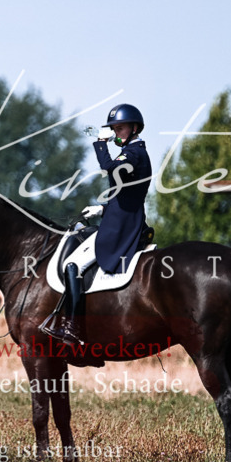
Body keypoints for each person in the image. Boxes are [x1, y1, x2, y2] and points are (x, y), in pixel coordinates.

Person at [43, 104, 153, 344]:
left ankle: (73, 327)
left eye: (120, 128)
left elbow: (109, 168)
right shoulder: (134, 152)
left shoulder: (134, 154)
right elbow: (126, 196)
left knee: (72, 264)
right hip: (120, 218)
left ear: (135, 129)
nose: (116, 133)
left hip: (122, 227)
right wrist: (102, 209)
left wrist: (101, 143)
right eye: (114, 129)